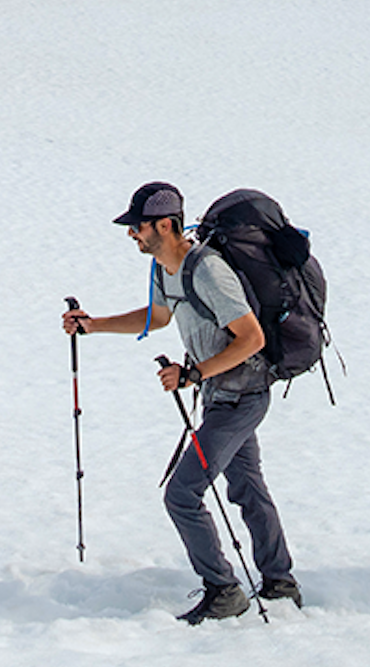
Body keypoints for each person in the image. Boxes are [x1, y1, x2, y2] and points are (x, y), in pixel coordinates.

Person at [64, 180, 301, 623]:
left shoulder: (208, 270)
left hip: (243, 397)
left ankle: (224, 590)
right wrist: (92, 325)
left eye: (139, 226)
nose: (132, 233)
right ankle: (280, 581)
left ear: (167, 225)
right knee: (247, 487)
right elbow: (158, 315)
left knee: (182, 493)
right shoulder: (163, 267)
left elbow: (252, 338)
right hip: (220, 396)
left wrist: (193, 373)